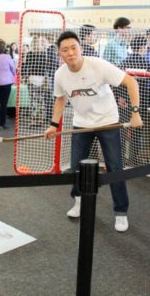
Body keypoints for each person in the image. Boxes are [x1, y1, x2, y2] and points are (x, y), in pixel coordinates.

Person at [44, 31, 143, 232]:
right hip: (82, 124)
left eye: (73, 48)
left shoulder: (98, 65)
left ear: (80, 48)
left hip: (107, 122)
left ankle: (121, 212)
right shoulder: (60, 74)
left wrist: (135, 113)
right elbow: (60, 99)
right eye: (65, 50)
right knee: (76, 167)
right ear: (60, 53)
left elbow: (131, 82)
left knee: (114, 167)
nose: (70, 53)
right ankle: (79, 202)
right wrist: (54, 125)